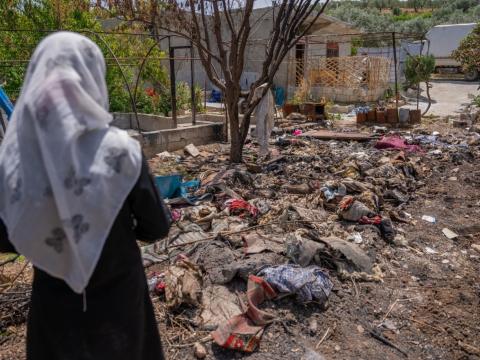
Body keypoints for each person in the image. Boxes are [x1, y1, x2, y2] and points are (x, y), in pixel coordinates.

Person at [0, 32, 171, 360]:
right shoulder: (122, 152)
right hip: (120, 305)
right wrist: (108, 227)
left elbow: (6, 235)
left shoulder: (17, 162)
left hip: (55, 311)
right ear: (92, 79)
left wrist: (49, 232)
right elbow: (157, 227)